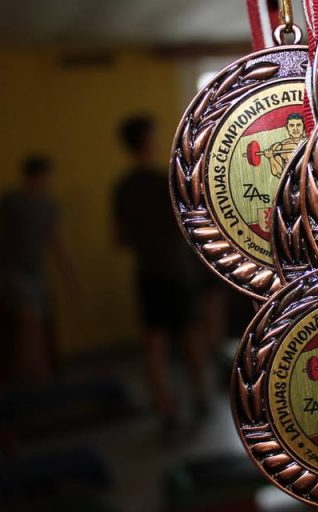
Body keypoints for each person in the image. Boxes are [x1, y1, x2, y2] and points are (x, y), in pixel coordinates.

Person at [112, 114, 222, 427]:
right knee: (190, 336)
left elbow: (119, 238)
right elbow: (190, 226)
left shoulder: (123, 188)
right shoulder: (165, 182)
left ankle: (166, 407)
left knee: (154, 343)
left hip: (147, 272)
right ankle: (200, 396)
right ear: (148, 140)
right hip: (177, 271)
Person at [0, 155, 76, 382]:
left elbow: (55, 240)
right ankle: (30, 373)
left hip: (37, 273)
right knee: (30, 321)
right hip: (14, 270)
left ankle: (38, 371)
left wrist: (68, 271)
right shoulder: (10, 202)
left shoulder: (48, 206)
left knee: (39, 323)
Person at [263, 113, 306, 178]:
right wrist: (271, 158)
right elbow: (277, 173)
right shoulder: (279, 147)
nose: (295, 129)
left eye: (298, 125)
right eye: (291, 125)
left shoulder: (312, 142)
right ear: (287, 127)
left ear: (303, 127)